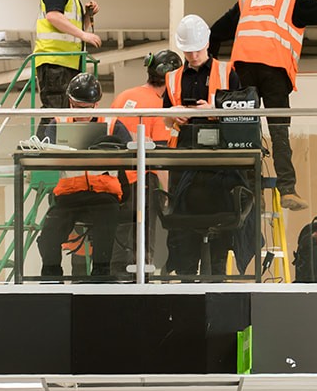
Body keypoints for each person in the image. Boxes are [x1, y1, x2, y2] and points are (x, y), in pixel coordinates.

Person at [207, 0, 317, 211]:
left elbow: (216, 31)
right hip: (274, 72)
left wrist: (211, 64)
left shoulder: (247, 1)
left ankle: (247, 192)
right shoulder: (291, 0)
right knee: (278, 130)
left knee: (244, 129)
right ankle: (287, 189)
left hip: (243, 71)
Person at [164, 14, 254, 278]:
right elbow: (164, 115)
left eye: (196, 50)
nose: (192, 56)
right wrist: (176, 112)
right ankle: (186, 278)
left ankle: (216, 276)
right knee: (183, 227)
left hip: (219, 161)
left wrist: (215, 110)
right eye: (187, 51)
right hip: (184, 158)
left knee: (220, 224)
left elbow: (244, 113)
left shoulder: (228, 72)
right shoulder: (172, 78)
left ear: (207, 44)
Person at [36, 72, 130, 280]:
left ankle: (101, 275)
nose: (83, 114)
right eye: (78, 107)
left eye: (88, 108)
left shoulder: (113, 123)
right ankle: (51, 278)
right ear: (70, 101)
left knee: (106, 226)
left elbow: (130, 153)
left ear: (97, 104)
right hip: (70, 195)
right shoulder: (58, 122)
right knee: (49, 235)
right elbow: (44, 150)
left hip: (104, 194)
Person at [109, 51, 182, 273]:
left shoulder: (123, 97)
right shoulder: (159, 107)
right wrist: (169, 196)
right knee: (143, 241)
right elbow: (158, 157)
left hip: (114, 178)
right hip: (142, 181)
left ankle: (116, 279)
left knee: (122, 237)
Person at [34, 0, 100, 110]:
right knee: (56, 110)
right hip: (55, 61)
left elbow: (70, 29)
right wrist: (85, 35)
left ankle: (48, 137)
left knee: (63, 111)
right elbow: (53, 16)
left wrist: (87, 16)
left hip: (66, 61)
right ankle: (43, 138)